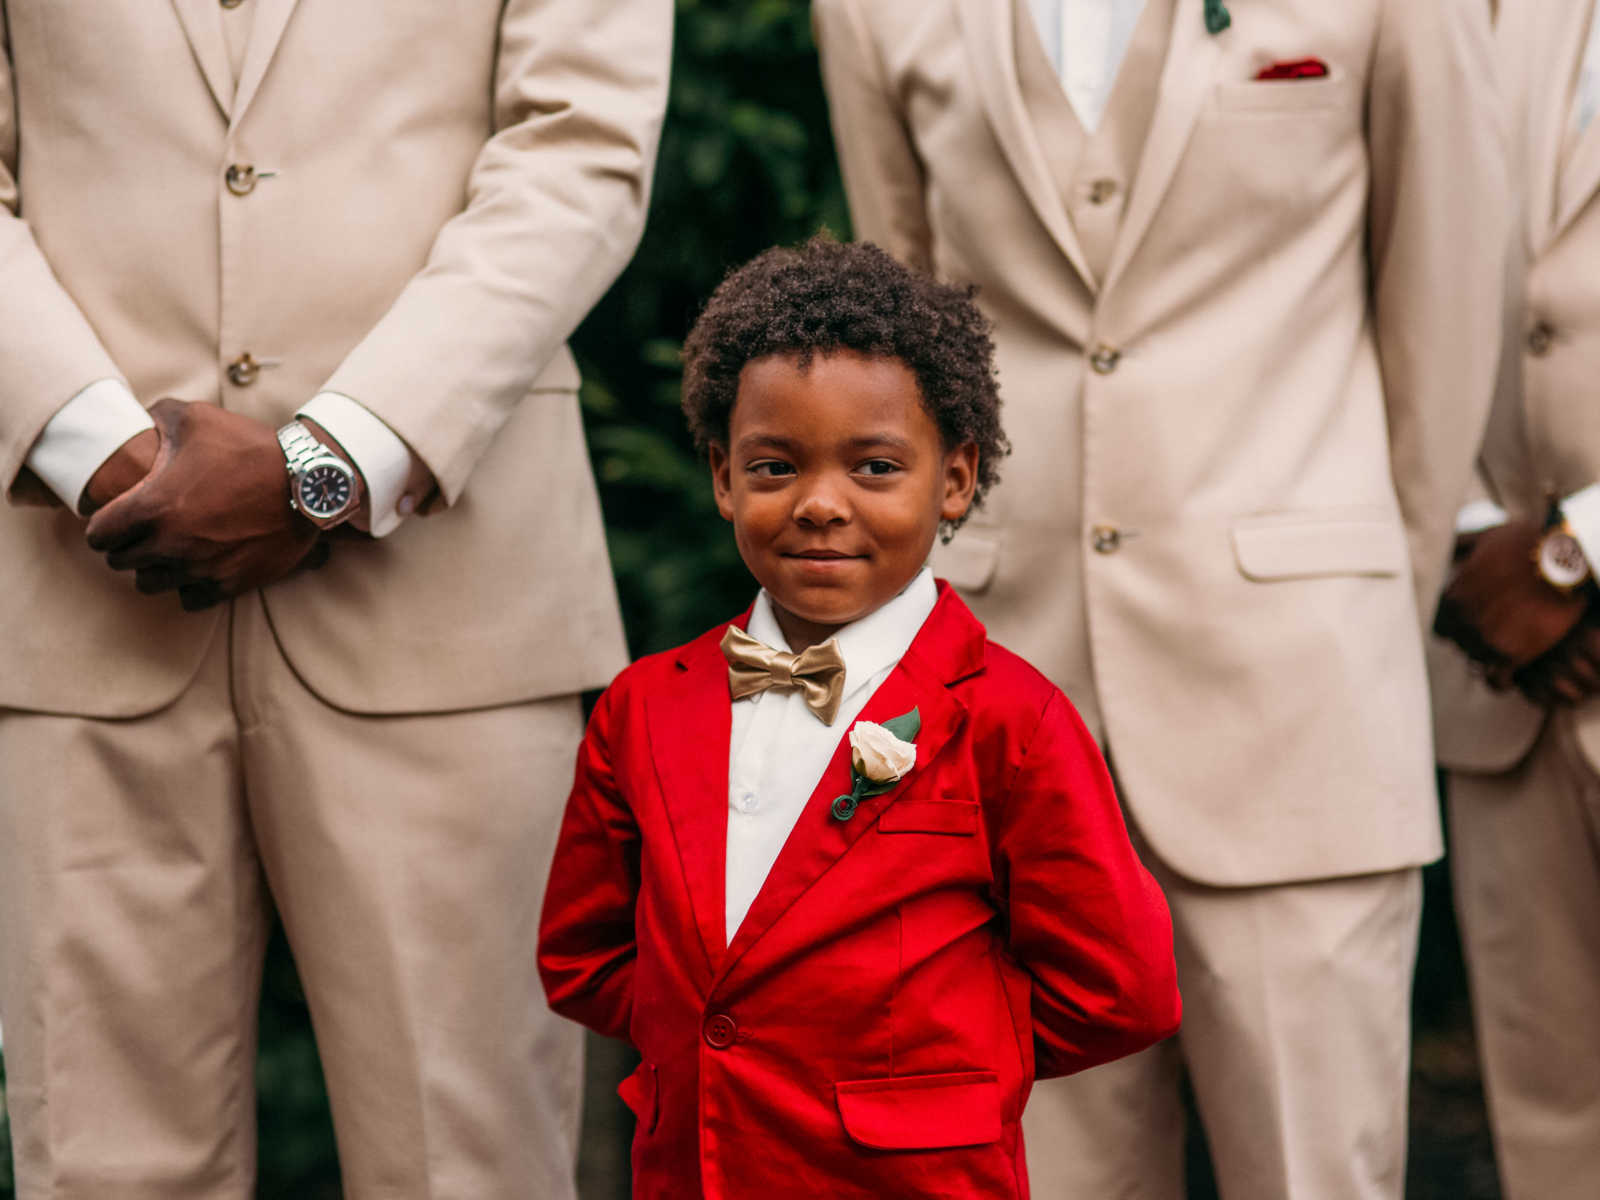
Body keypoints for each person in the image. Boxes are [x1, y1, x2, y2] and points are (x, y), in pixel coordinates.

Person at [811, 1, 1506, 1196]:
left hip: (1299, 687)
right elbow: (908, 338)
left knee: (1312, 1171)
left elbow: (1444, 301)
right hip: (995, 686)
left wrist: (1354, 577)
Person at [0, 3, 669, 1196]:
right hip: (81, 589)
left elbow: (580, 143)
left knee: (471, 1166)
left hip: (451, 597)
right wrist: (93, 447)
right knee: (97, 1168)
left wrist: (333, 465)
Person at [537, 238, 1180, 1199]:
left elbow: (1122, 989)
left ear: (955, 480)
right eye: (774, 467)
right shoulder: (644, 706)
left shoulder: (1012, 720)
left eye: (876, 467)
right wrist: (716, 1043)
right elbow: (583, 955)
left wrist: (938, 1069)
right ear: (721, 477)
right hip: (696, 1166)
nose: (822, 505)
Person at [1430, 2, 1600, 1194]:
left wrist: (1578, 555)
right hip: (1500, 662)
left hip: (1550, 597)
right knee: (1549, 1127)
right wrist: (1476, 541)